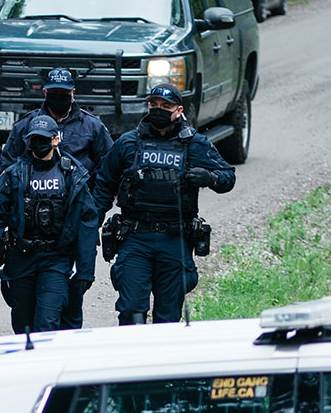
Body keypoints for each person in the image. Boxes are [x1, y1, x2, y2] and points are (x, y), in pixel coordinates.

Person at [93, 85, 235, 325]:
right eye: (154, 105)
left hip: (174, 239)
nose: (158, 110)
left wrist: (210, 178)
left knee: (167, 319)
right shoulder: (129, 143)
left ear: (178, 110)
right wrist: (89, 224)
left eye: (165, 106)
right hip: (135, 238)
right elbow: (104, 185)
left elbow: (228, 177)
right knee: (131, 312)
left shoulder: (194, 144)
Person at [0, 66, 113, 328]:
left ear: (73, 93)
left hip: (76, 226)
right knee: (28, 302)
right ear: (45, 92)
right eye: (53, 92)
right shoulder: (26, 126)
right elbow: (6, 174)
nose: (58, 96)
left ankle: (64, 352)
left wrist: (95, 212)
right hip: (32, 230)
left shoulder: (92, 127)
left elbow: (110, 173)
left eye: (63, 92)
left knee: (71, 297)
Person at [0, 115, 99, 334]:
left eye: (43, 138)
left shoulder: (72, 174)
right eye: (34, 138)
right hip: (21, 258)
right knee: (23, 326)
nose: (38, 143)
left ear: (55, 139)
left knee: (47, 324)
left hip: (56, 260)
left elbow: (87, 222)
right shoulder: (15, 174)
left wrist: (85, 270)